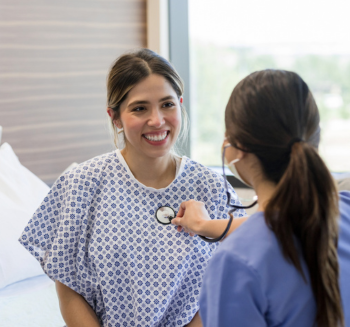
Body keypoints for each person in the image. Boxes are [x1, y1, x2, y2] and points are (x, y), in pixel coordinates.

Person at [19, 49, 247, 327]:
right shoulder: (82, 184)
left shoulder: (210, 187)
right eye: (140, 108)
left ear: (180, 105)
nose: (157, 120)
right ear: (115, 117)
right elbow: (68, 286)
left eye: (167, 104)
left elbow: (228, 280)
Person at [171, 70, 350, 327]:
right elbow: (283, 228)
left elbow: (265, 239)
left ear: (235, 150)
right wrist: (205, 225)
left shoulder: (235, 262)